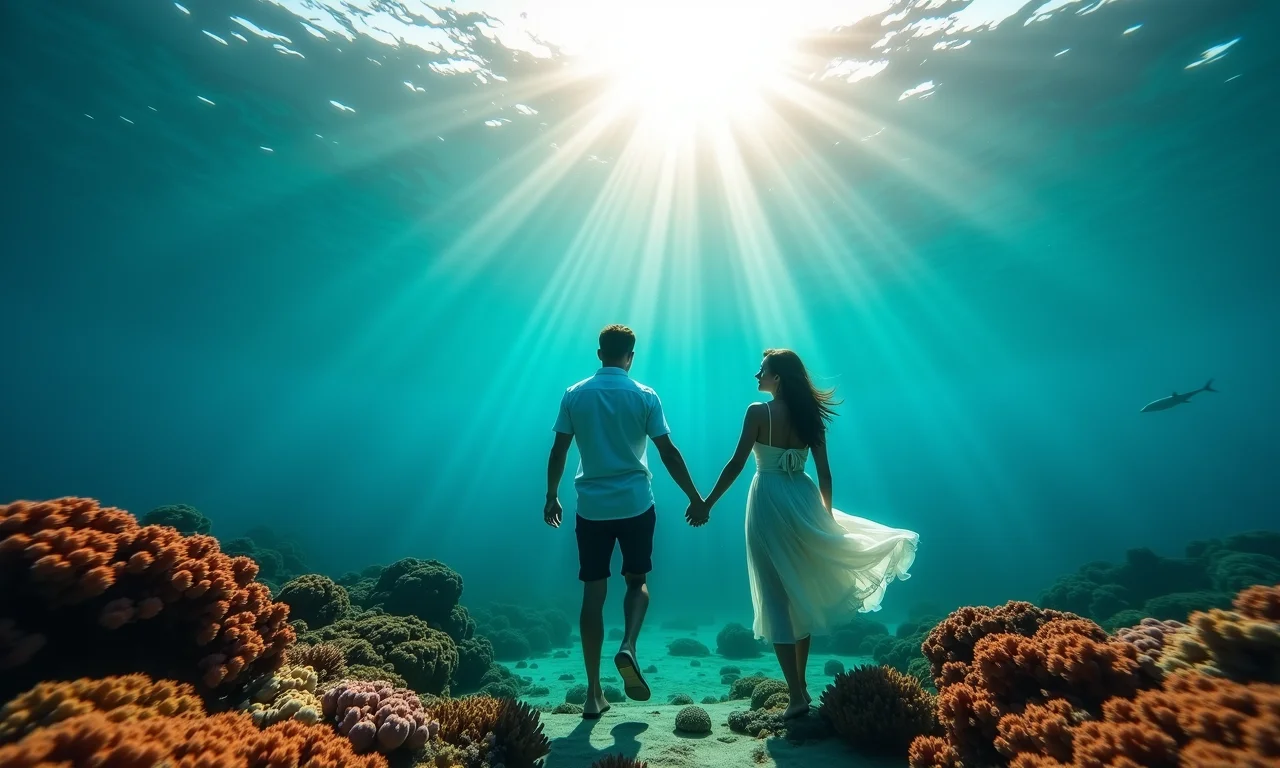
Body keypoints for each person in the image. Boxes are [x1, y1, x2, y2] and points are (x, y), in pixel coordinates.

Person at [691, 348, 918, 719]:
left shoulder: (757, 412)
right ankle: (801, 687)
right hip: (804, 496)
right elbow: (826, 475)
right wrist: (826, 519)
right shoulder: (811, 416)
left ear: (777, 377)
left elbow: (735, 464)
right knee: (799, 589)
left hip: (767, 499)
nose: (756, 375)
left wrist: (707, 503)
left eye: (762, 370)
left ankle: (796, 696)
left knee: (776, 595)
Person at [544, 324, 705, 719]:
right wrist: (695, 497)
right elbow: (668, 452)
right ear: (630, 356)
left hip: (591, 508)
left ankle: (593, 694)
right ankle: (629, 645)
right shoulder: (645, 396)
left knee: (592, 595)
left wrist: (551, 496)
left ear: (600, 353)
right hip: (635, 505)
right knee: (637, 581)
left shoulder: (574, 394)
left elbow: (558, 451)